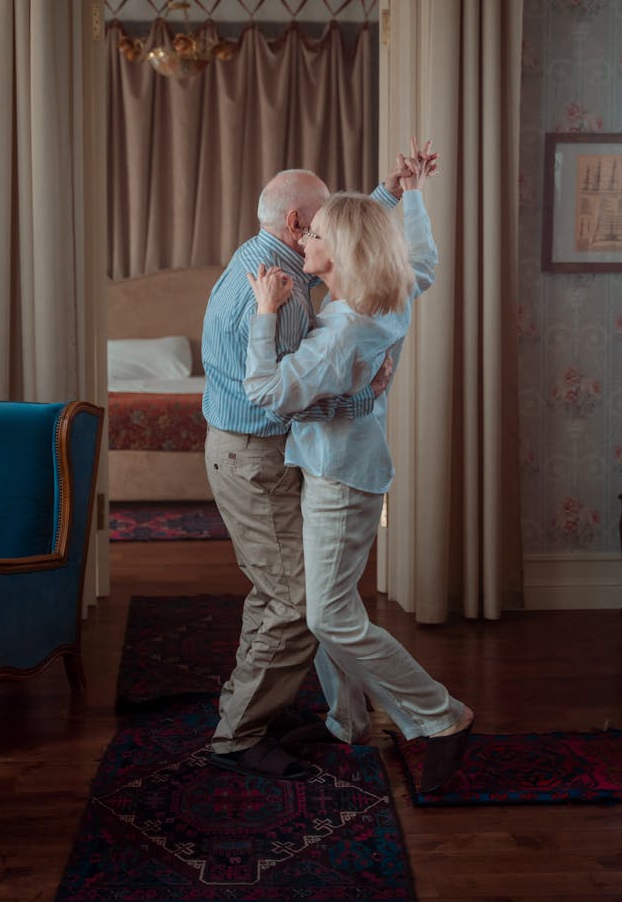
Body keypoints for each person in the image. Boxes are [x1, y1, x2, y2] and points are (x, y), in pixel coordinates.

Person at [242, 147, 474, 793]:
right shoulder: (387, 294)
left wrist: (265, 313)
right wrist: (406, 193)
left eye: (315, 233)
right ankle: (348, 722)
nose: (303, 235)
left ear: (339, 253)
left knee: (329, 616)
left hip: (340, 480)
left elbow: (267, 390)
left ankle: (440, 715)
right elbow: (418, 259)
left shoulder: (342, 333)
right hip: (351, 468)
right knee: (328, 603)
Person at [202, 158, 411, 780]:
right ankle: (237, 736)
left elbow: (344, 238)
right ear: (296, 224)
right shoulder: (281, 298)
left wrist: (389, 194)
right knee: (297, 602)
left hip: (247, 451)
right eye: (318, 222)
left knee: (278, 591)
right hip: (256, 455)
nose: (324, 230)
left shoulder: (266, 255)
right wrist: (364, 397)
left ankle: (252, 708)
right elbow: (279, 392)